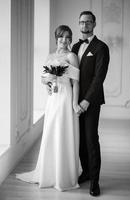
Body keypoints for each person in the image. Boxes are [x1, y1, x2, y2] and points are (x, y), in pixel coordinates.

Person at [16, 25, 82, 191]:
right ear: (56, 38)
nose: (64, 40)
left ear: (70, 39)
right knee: (51, 132)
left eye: (68, 37)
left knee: (63, 132)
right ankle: (49, 172)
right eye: (61, 37)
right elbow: (43, 79)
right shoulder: (50, 56)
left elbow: (76, 83)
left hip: (66, 98)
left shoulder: (72, 56)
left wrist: (74, 104)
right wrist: (48, 81)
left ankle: (64, 175)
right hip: (53, 99)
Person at [72, 11, 110, 196]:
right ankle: (86, 172)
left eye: (88, 22)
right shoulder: (75, 47)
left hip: (91, 102)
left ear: (94, 24)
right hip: (73, 102)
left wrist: (86, 101)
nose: (84, 25)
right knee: (79, 141)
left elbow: (99, 77)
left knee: (91, 140)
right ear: (78, 25)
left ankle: (95, 181)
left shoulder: (101, 47)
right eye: (81, 22)